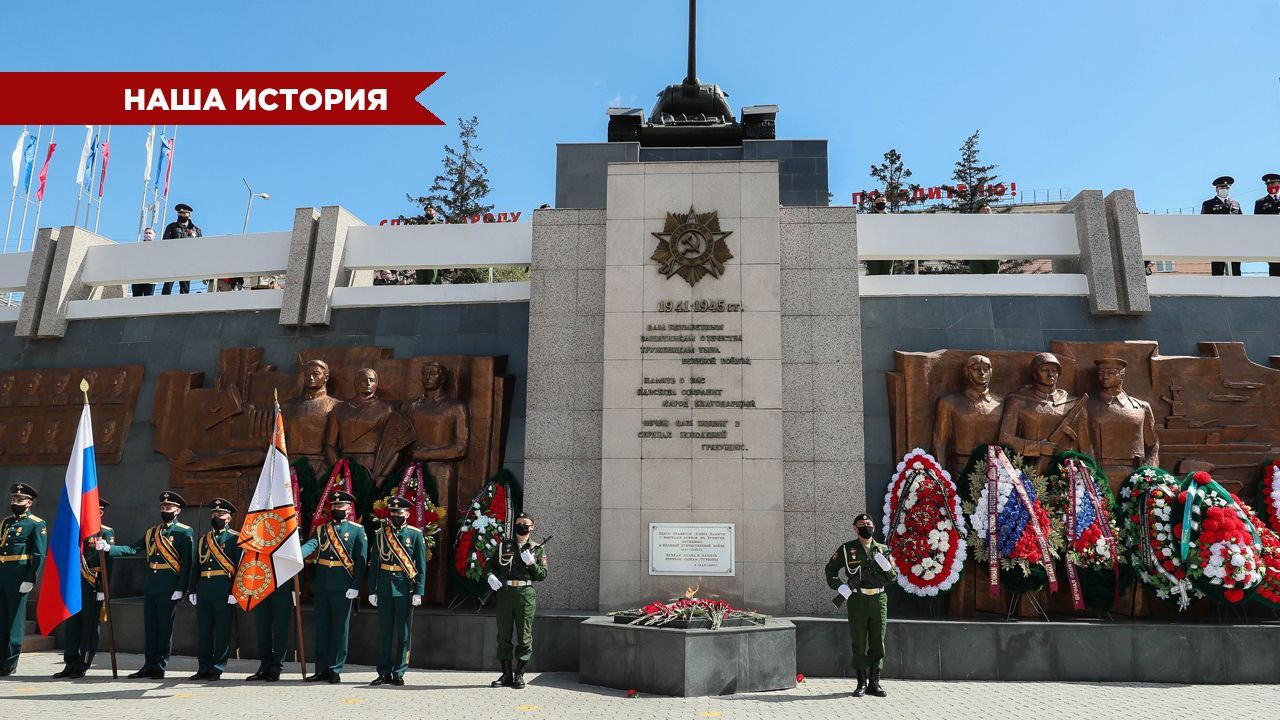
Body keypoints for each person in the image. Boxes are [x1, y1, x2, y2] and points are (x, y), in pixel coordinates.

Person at [96, 491, 194, 679]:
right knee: (150, 628)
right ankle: (148, 664)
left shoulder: (184, 531)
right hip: (151, 586)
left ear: (177, 510)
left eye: (169, 508)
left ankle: (160, 666)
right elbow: (133, 548)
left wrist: (182, 588)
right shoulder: (152, 532)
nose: (165, 510)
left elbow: (188, 562)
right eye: (163, 508)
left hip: (169, 587)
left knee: (164, 629)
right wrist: (110, 548)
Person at [824, 513, 896, 698]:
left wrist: (888, 568)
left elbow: (893, 578)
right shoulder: (847, 549)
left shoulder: (883, 549)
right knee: (858, 641)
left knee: (877, 641)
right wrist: (839, 586)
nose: (866, 526)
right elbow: (830, 569)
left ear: (875, 527)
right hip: (858, 599)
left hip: (879, 600)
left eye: (869, 524)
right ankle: (861, 683)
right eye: (862, 524)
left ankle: (875, 682)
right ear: (855, 528)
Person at [300, 490, 367, 684]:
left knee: (340, 629)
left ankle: (335, 669)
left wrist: (356, 586)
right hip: (322, 585)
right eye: (334, 506)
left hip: (343, 586)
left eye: (340, 506)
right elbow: (311, 545)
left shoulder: (357, 530)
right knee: (322, 628)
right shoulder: (322, 529)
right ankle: (320, 669)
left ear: (348, 508)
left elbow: (361, 562)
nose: (337, 509)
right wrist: (297, 554)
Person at [368, 497, 426, 687]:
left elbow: (422, 565)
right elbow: (375, 562)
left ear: (407, 514)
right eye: (393, 513)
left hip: (404, 588)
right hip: (384, 587)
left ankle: (399, 672)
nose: (395, 516)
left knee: (403, 633)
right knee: (384, 632)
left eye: (399, 513)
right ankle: (383, 672)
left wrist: (419, 591)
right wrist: (372, 589)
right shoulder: (381, 534)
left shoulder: (415, 535)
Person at [488, 512, 547, 690]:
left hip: (525, 593)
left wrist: (531, 563)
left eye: (525, 523)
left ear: (532, 527)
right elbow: (489, 566)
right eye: (519, 523)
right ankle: (506, 674)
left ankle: (519, 674)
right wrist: (490, 576)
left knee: (524, 635)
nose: (521, 526)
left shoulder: (537, 548)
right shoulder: (503, 546)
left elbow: (542, 575)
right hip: (505, 593)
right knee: (504, 634)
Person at [54, 498, 112, 679]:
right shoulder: (75, 531)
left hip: (92, 585)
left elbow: (108, 563)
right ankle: (70, 662)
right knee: (72, 626)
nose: (97, 514)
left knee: (89, 627)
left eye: (99, 511)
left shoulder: (105, 532)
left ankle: (83, 663)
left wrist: (104, 587)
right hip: (74, 584)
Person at [187, 498, 242, 681]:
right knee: (204, 631)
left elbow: (240, 567)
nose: (216, 517)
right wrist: (192, 589)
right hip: (204, 588)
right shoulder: (204, 539)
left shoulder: (235, 538)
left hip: (224, 589)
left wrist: (236, 591)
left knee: (221, 631)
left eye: (220, 514)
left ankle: (217, 667)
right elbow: (197, 565)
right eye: (213, 514)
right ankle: (203, 667)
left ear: (228, 518)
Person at [0, 483, 46, 676]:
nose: (15, 503)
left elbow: (39, 554)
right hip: (2, 574)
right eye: (13, 499)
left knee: (15, 621)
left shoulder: (36, 523)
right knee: (2, 619)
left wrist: (30, 579)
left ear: (29, 502)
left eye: (19, 500)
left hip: (19, 577)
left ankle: (10, 663)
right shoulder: (6, 522)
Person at [1202, 177, 1243, 276]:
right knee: (1217, 271)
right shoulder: (1208, 204)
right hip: (1217, 241)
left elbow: (1242, 222)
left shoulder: (1235, 204)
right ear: (1216, 188)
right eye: (1222, 187)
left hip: (1233, 241)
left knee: (1236, 271)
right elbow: (1204, 223)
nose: (1224, 189)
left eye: (1227, 187)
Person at [161, 203, 202, 295]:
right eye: (179, 213)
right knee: (168, 285)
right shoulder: (172, 227)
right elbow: (164, 244)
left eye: (184, 214)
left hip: (187, 262)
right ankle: (163, 305)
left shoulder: (196, 230)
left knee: (185, 287)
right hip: (173, 261)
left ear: (189, 215)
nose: (181, 215)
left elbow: (200, 248)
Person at [1256, 173, 1280, 276]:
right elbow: (1257, 223)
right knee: (1275, 269)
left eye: (1273, 183)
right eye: (1268, 184)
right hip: (1271, 241)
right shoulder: (1260, 203)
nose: (1270, 186)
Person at [865, 194, 893, 276]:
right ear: (874, 203)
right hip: (872, 250)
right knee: (874, 275)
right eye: (878, 201)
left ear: (886, 203)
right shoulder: (868, 218)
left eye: (883, 201)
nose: (881, 203)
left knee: (887, 275)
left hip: (888, 250)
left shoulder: (892, 218)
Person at [132, 228, 157, 297]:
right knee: (136, 299)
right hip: (137, 277)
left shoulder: (157, 248)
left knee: (148, 300)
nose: (147, 234)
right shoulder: (138, 247)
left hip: (151, 278)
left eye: (150, 233)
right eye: (146, 233)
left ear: (154, 235)